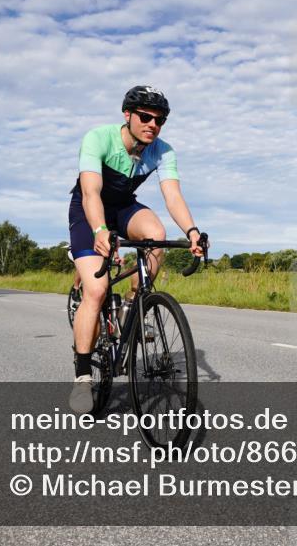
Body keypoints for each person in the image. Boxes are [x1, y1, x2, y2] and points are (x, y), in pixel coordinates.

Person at [68, 85, 206, 414]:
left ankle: (133, 304)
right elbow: (91, 192)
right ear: (127, 115)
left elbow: (172, 196)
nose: (152, 125)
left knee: (156, 236)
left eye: (160, 120)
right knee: (98, 290)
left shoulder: (163, 151)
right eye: (145, 117)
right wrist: (100, 230)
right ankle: (83, 377)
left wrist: (192, 231)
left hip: (126, 208)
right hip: (90, 211)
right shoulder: (99, 138)